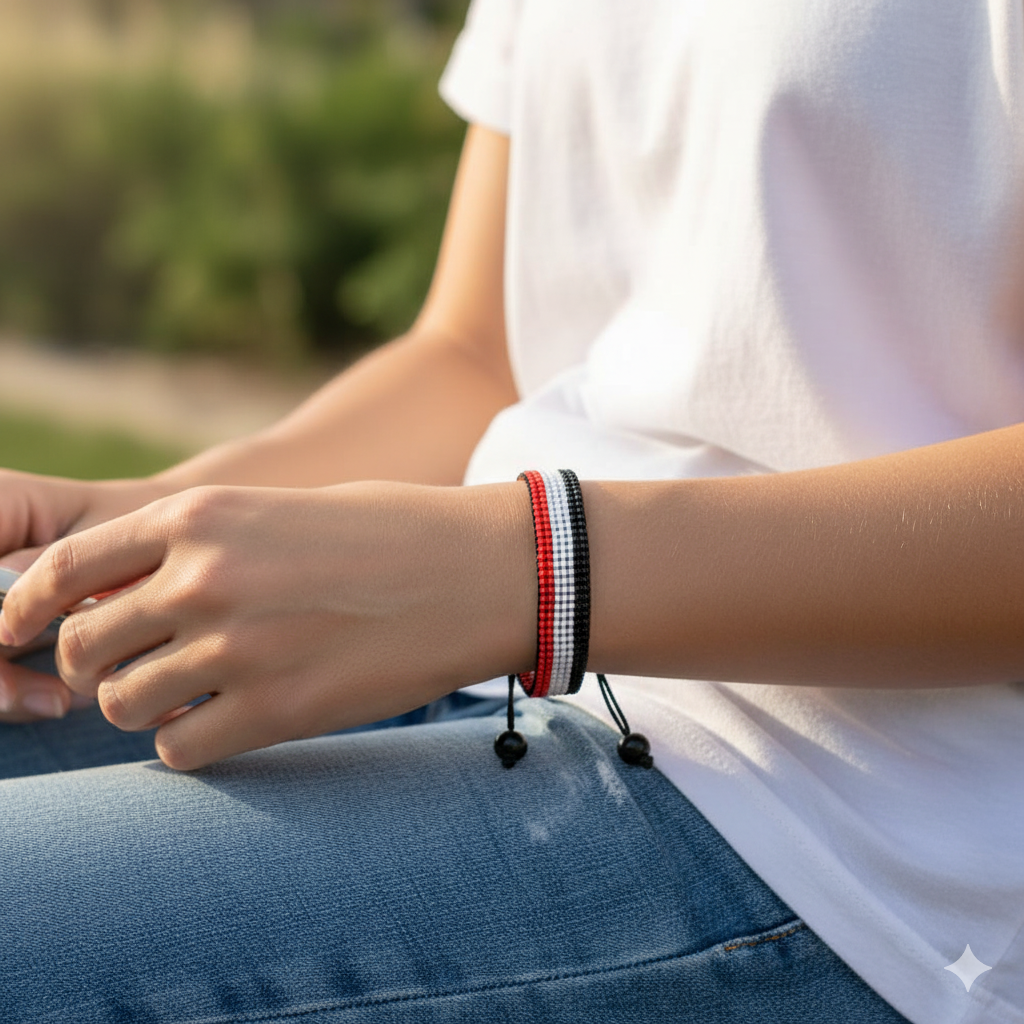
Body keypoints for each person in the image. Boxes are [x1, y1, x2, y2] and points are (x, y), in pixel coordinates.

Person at [0, 1, 1021, 1021]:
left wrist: (531, 571)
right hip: (487, 642)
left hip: (847, 829)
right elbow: (482, 353)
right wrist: (128, 524)